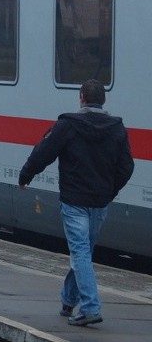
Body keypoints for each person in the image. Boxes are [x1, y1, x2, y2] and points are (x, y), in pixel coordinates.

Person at [18, 79, 134, 327]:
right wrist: (109, 191)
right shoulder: (117, 128)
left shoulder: (67, 126)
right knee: (83, 251)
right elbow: (127, 168)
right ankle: (69, 300)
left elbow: (43, 152)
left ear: (81, 98)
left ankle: (91, 307)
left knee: (80, 251)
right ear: (104, 100)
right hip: (99, 204)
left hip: (74, 202)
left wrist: (25, 175)